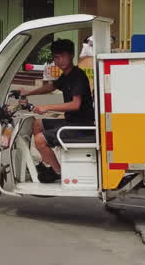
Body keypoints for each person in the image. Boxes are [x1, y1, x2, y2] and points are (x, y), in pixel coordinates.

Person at [20, 38, 94, 182]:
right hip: (71, 122)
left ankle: (58, 172)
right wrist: (27, 93)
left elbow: (75, 104)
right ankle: (47, 162)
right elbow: (51, 86)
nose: (59, 61)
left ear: (71, 55)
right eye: (56, 57)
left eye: (62, 56)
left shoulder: (78, 76)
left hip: (81, 127)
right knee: (37, 124)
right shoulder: (67, 75)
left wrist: (47, 107)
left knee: (40, 140)